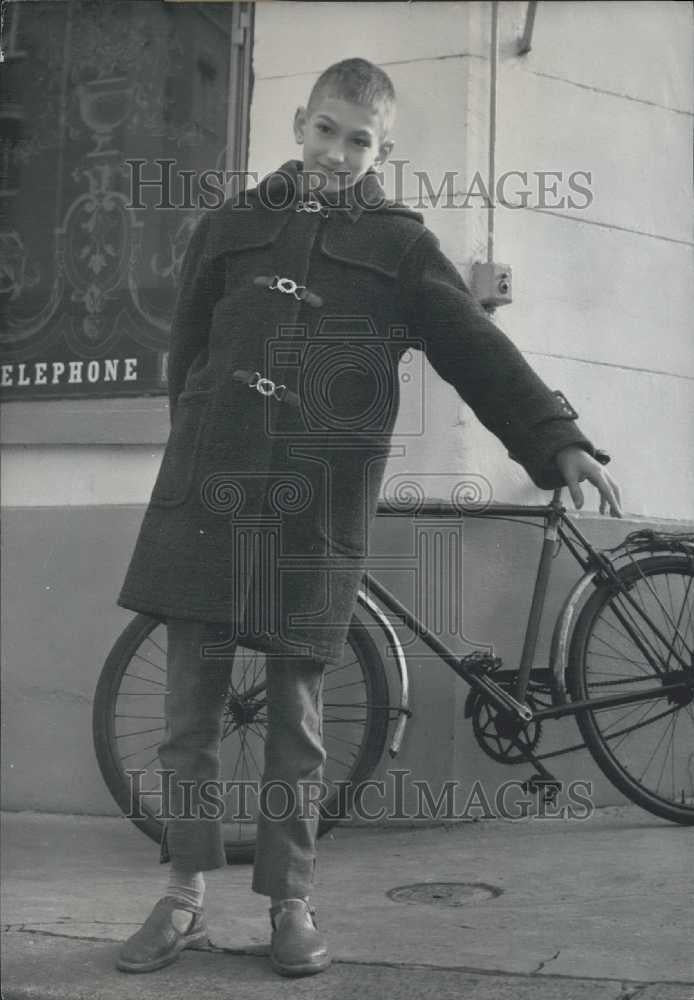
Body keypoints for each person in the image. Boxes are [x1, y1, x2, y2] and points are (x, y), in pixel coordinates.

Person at [114, 57, 622, 979]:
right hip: (209, 495)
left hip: (315, 504)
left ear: (383, 150)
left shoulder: (399, 245)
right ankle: (182, 895)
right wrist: (201, 441)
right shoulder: (231, 227)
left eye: (360, 141)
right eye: (326, 130)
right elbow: (186, 356)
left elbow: (475, 344)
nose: (337, 152)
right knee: (189, 715)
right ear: (300, 123)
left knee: (298, 723)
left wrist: (557, 439)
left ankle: (290, 905)